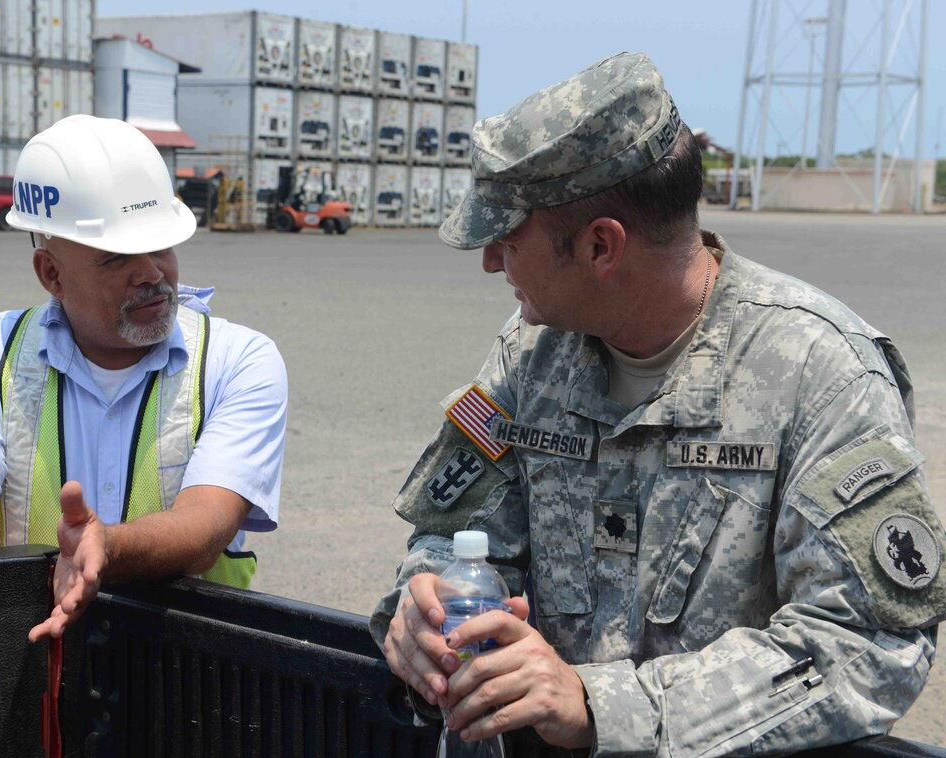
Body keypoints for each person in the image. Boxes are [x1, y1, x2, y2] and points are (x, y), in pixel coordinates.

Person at [371, 52, 946, 755]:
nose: (491, 261)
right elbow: (456, 533)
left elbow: (867, 643)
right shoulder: (529, 358)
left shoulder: (821, 372)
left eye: (506, 238)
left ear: (600, 246)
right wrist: (424, 601)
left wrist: (600, 706)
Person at [0, 115, 288, 645]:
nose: (152, 271)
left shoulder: (237, 361)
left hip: (189, 680)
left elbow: (206, 525)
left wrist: (109, 546)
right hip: (26, 666)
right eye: (118, 258)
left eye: (162, 247)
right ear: (52, 274)